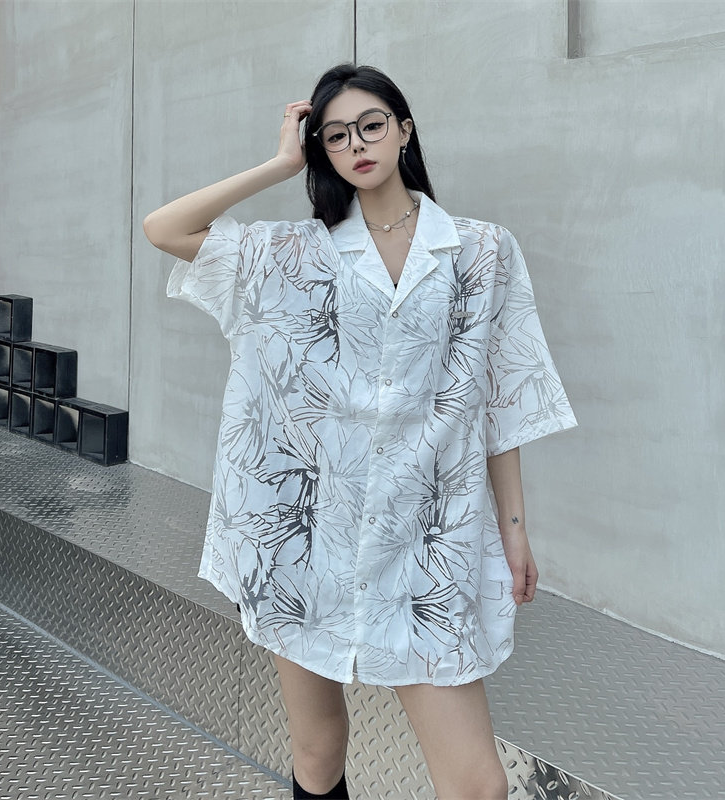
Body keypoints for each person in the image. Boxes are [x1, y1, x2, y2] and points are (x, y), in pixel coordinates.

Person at [144, 63, 577, 800]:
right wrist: (281, 163)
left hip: (427, 541)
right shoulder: (294, 254)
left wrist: (514, 530)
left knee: (479, 786)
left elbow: (499, 399)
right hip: (302, 538)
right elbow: (166, 228)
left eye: (371, 125)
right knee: (318, 750)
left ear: (404, 130)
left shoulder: (481, 251)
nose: (357, 144)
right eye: (336, 135)